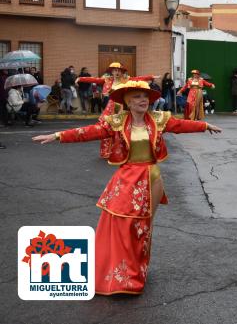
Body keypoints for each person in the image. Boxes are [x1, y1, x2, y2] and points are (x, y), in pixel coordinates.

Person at [32, 80, 222, 295]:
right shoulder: (116, 122)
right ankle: (119, 272)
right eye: (137, 97)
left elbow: (181, 125)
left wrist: (205, 126)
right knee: (122, 225)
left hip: (152, 179)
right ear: (128, 102)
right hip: (126, 179)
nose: (143, 101)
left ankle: (136, 271)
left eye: (146, 97)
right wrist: (58, 136)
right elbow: (89, 131)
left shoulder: (158, 119)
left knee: (143, 229)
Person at [76, 62, 156, 158]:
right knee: (106, 128)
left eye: (119, 70)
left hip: (123, 107)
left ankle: (122, 151)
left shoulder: (126, 80)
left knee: (123, 130)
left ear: (122, 72)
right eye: (115, 70)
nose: (117, 72)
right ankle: (105, 152)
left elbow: (137, 79)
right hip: (111, 108)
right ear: (112, 72)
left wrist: (150, 77)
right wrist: (80, 78)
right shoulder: (107, 80)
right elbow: (94, 80)